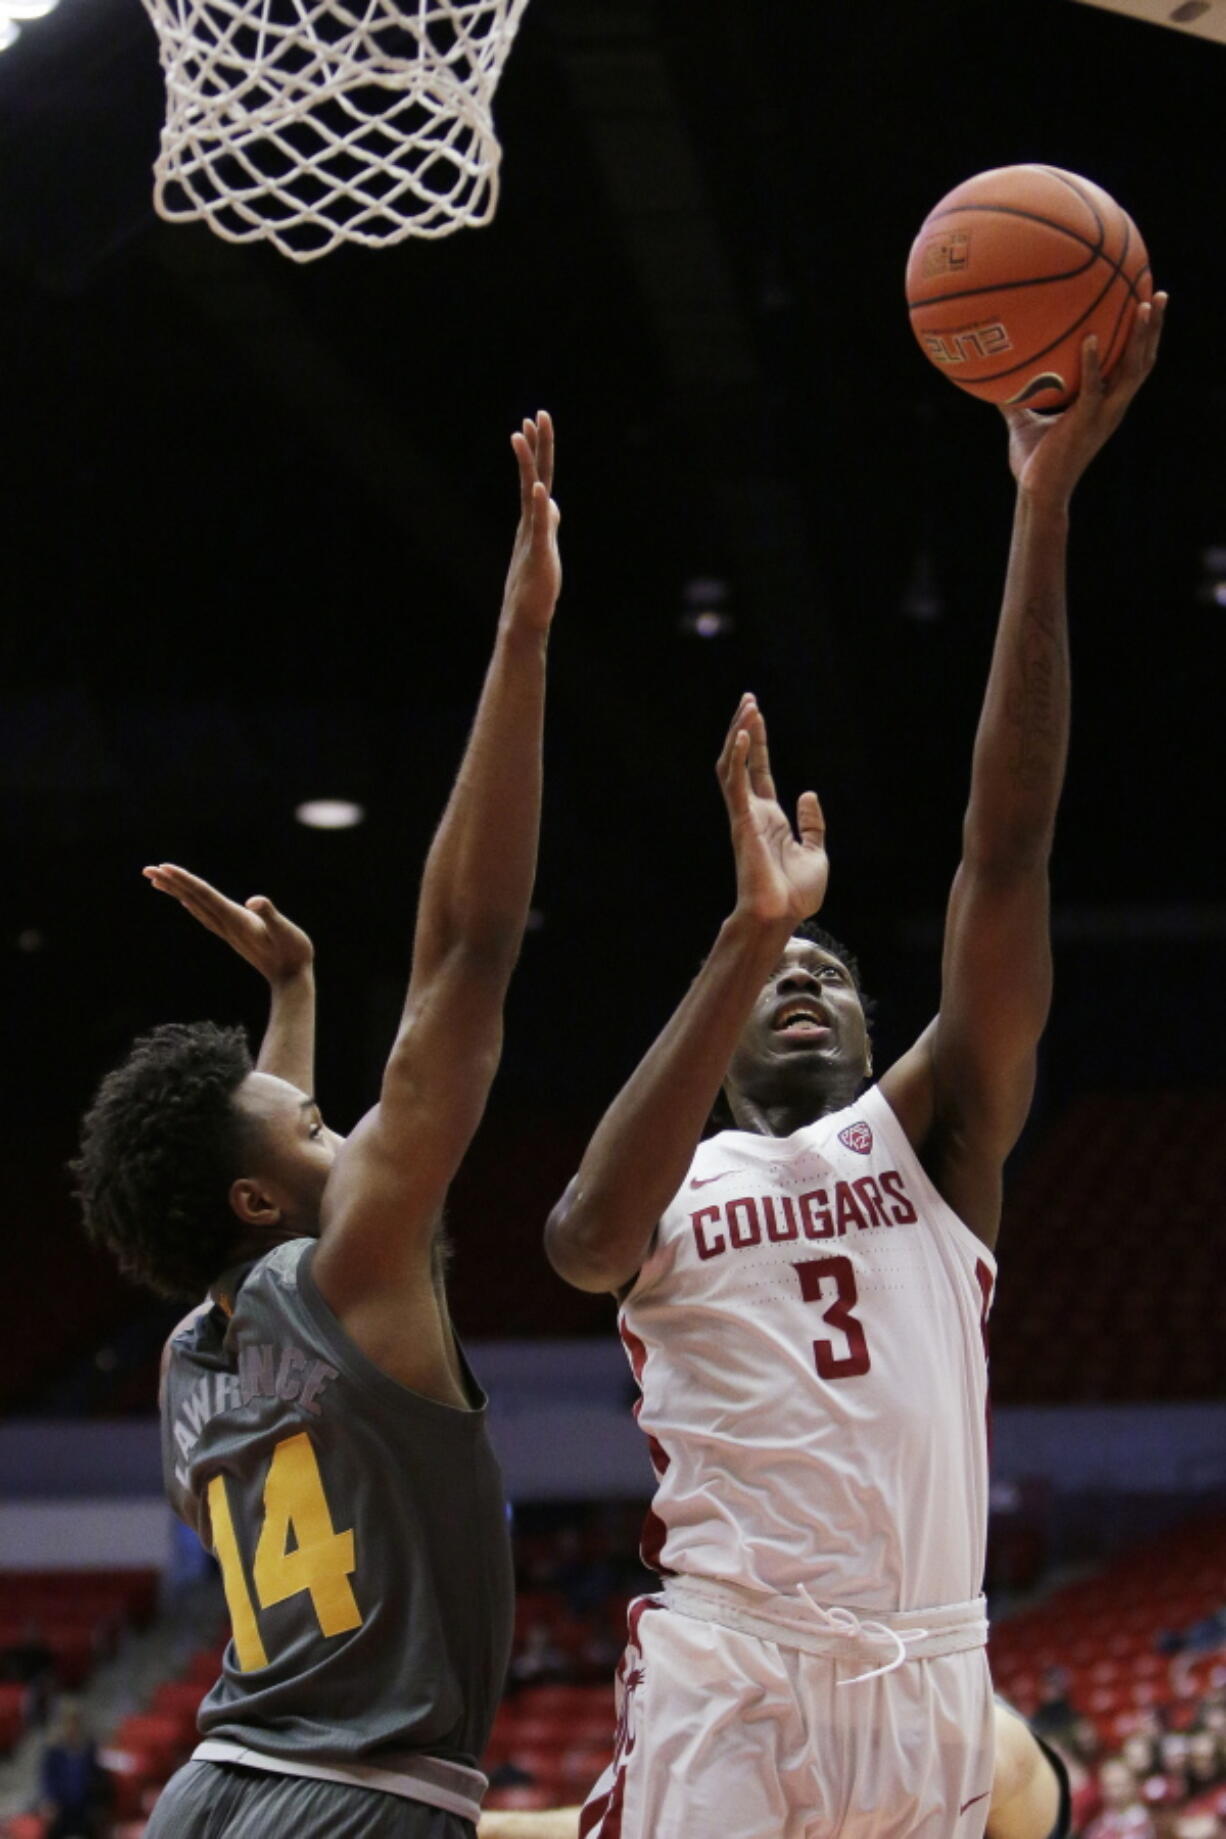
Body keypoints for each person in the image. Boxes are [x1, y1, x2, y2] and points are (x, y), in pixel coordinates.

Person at [544, 298, 1166, 1839]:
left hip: (932, 1680)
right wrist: (752, 930)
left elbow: (1004, 850)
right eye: (780, 980)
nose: (807, 983)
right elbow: (578, 1247)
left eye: (832, 971)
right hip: (734, 1676)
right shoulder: (675, 1184)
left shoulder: (930, 1148)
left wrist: (1040, 512)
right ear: (732, 1011)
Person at [73, 414, 562, 1839]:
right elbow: (467, 954)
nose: (341, 1126)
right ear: (263, 1197)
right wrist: (521, 642)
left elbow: (264, 1184)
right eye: (314, 1121)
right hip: (353, 1805)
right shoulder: (346, 1277)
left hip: (217, 1792)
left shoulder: (190, 1356)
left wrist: (288, 991)